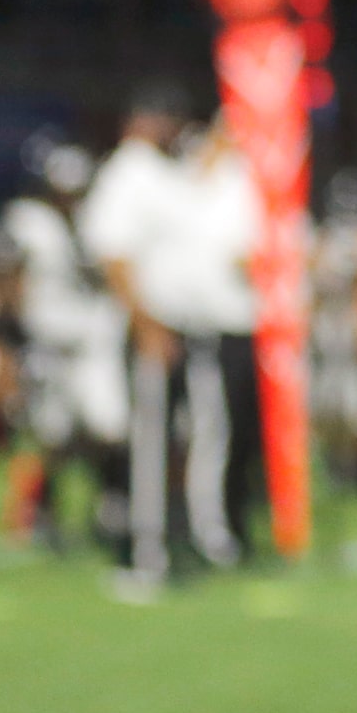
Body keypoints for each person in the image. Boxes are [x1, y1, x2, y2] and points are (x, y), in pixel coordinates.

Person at [80, 86, 264, 593]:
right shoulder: (129, 170)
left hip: (179, 326)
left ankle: (174, 541)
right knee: (153, 442)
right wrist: (147, 324)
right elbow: (114, 255)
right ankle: (147, 553)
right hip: (152, 327)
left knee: (182, 439)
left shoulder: (161, 173)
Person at [0, 142, 131, 554]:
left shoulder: (98, 216)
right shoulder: (26, 221)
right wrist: (6, 343)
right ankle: (42, 513)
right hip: (48, 342)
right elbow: (7, 280)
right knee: (53, 433)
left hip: (95, 340)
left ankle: (112, 505)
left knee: (110, 424)